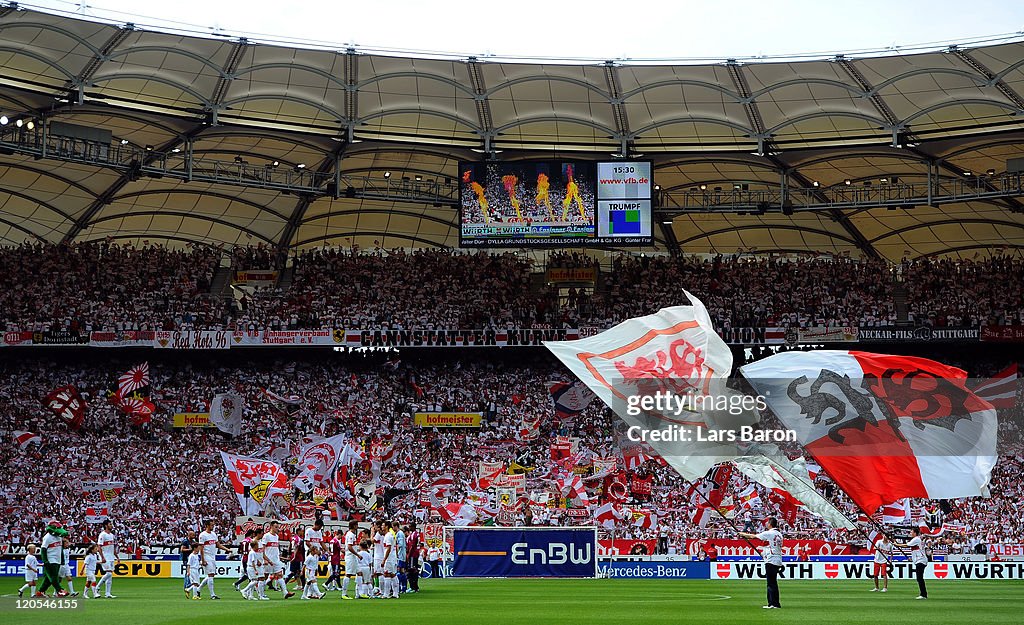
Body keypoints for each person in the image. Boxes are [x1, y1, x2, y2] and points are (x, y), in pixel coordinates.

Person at [739, 517, 783, 609]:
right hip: (777, 559)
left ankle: (772, 603)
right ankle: (775, 603)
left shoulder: (769, 533)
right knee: (773, 582)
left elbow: (753, 536)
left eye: (767, 523)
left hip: (771, 560)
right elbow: (769, 545)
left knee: (770, 583)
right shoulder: (779, 534)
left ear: (770, 524)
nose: (766, 524)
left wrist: (742, 534)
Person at [263, 521, 295, 599]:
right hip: (268, 560)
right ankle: (257, 592)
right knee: (264, 577)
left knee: (280, 575)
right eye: (275, 527)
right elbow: (263, 549)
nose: (277, 528)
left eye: (278, 527)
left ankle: (285, 592)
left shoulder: (276, 536)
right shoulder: (266, 536)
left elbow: (275, 549)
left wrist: (279, 557)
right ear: (271, 526)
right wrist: (265, 559)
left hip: (276, 560)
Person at [198, 519, 227, 599]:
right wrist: (203, 560)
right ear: (207, 525)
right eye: (211, 525)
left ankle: (198, 589)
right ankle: (212, 595)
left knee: (211, 575)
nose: (213, 526)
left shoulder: (214, 534)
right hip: (207, 556)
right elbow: (201, 548)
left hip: (213, 557)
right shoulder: (202, 535)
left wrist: (227, 549)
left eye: (213, 525)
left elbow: (218, 544)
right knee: (210, 575)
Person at [897, 528, 930, 599]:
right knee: (919, 578)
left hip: (920, 560)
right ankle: (923, 594)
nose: (910, 533)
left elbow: (907, 545)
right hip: (920, 560)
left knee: (919, 578)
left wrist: (897, 544)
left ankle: (923, 594)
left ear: (915, 533)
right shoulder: (916, 540)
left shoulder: (916, 539)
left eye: (911, 532)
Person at [38, 522, 68, 597]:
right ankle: (59, 590)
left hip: (57, 560)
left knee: (49, 579)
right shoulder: (47, 537)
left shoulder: (59, 537)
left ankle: (40, 592)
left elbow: (60, 549)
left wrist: (62, 559)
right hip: (50, 559)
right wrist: (45, 560)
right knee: (54, 577)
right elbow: (43, 549)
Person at [97, 520, 117, 598]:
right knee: (108, 573)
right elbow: (99, 546)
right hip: (105, 556)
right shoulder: (102, 535)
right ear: (106, 525)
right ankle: (97, 587)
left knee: (110, 576)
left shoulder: (112, 535)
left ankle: (108, 593)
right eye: (110, 524)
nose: (111, 525)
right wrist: (102, 557)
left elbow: (112, 547)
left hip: (111, 557)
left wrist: (117, 557)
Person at [341, 520, 360, 600]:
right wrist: (357, 554)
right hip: (351, 557)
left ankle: (359, 593)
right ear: (354, 526)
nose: (357, 526)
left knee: (359, 573)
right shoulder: (351, 535)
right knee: (348, 574)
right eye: (356, 525)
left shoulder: (351, 534)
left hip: (353, 557)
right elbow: (349, 547)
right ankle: (344, 593)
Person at [381, 520, 399, 599]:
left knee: (387, 574)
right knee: (393, 575)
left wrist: (384, 559)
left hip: (389, 558)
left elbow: (388, 548)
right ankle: (395, 593)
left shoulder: (388, 536)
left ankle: (386, 593)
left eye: (383, 525)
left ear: (387, 526)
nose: (382, 527)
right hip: (393, 557)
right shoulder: (391, 535)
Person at [405, 522, 421, 593]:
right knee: (414, 570)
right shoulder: (416, 534)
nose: (409, 528)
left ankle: (413, 587)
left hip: (413, 554)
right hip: (416, 554)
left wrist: (408, 555)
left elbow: (412, 546)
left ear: (413, 527)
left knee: (411, 570)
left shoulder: (413, 535)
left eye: (410, 526)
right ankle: (415, 587)